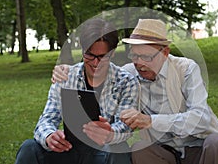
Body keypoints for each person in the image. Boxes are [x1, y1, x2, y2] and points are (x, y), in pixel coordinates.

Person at [51, 19, 218, 164]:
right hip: (162, 150)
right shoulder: (129, 73)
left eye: (146, 56)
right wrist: (67, 70)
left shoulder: (186, 69)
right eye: (134, 54)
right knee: (139, 149)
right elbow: (103, 71)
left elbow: (200, 118)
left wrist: (150, 121)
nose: (139, 62)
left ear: (165, 53)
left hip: (200, 146)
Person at [15, 18, 139, 164]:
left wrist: (110, 133)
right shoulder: (65, 77)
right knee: (29, 148)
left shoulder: (126, 82)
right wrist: (49, 136)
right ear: (82, 48)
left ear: (112, 53)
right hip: (69, 148)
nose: (95, 63)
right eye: (89, 55)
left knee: (119, 150)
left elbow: (125, 127)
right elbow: (47, 119)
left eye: (102, 57)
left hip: (103, 151)